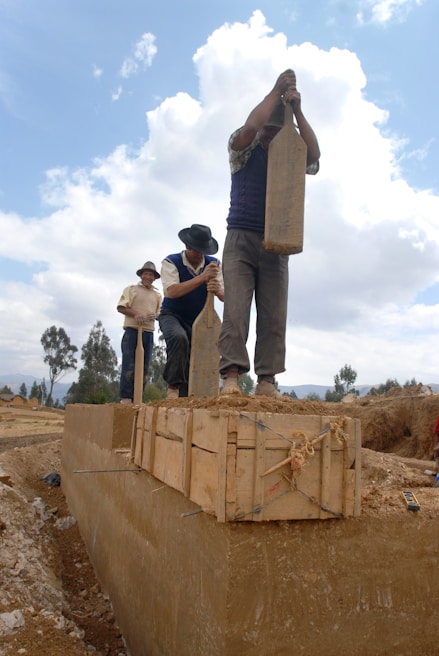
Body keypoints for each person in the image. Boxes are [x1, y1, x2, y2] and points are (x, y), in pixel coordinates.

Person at [218, 69, 320, 398]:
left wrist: (298, 112)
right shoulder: (243, 150)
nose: (271, 132)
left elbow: (314, 155)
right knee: (235, 311)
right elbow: (248, 128)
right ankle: (231, 377)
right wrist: (276, 91)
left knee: (274, 316)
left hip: (277, 243)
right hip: (240, 241)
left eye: (278, 128)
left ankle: (266, 381)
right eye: (269, 127)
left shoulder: (290, 156)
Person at [159, 224, 224, 398]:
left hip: (199, 320)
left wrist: (217, 289)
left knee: (200, 352)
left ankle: (189, 395)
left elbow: (225, 296)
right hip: (172, 315)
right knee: (179, 339)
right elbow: (171, 292)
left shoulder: (214, 264)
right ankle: (173, 388)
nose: (200, 255)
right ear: (187, 247)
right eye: (196, 250)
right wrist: (202, 278)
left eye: (203, 250)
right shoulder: (170, 262)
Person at [117, 261, 162, 403]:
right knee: (129, 364)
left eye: (151, 275)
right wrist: (136, 313)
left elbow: (161, 313)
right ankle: (126, 397)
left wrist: (156, 316)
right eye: (146, 274)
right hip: (132, 331)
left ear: (154, 278)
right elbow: (121, 307)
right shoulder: (131, 289)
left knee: (144, 366)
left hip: (148, 333)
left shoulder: (157, 296)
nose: (148, 277)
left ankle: (138, 397)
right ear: (142, 275)